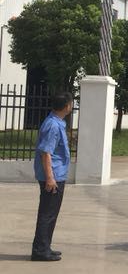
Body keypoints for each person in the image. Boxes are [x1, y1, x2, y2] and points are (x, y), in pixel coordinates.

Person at [31, 92, 74, 262]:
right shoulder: (53, 126)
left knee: (50, 214)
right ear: (67, 106)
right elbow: (46, 153)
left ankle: (45, 247)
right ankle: (40, 251)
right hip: (52, 177)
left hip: (56, 175)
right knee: (47, 214)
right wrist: (50, 178)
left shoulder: (56, 122)